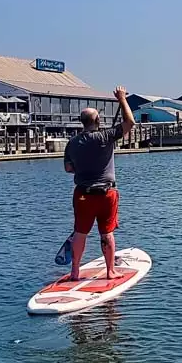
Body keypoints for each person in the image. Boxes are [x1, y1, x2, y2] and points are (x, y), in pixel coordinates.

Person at [63, 86, 136, 281]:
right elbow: (130, 122)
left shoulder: (72, 143)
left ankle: (75, 272)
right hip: (106, 195)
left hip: (83, 195)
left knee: (80, 233)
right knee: (107, 232)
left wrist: (84, 166)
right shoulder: (106, 136)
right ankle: (110, 271)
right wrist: (122, 99)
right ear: (98, 121)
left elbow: (68, 169)